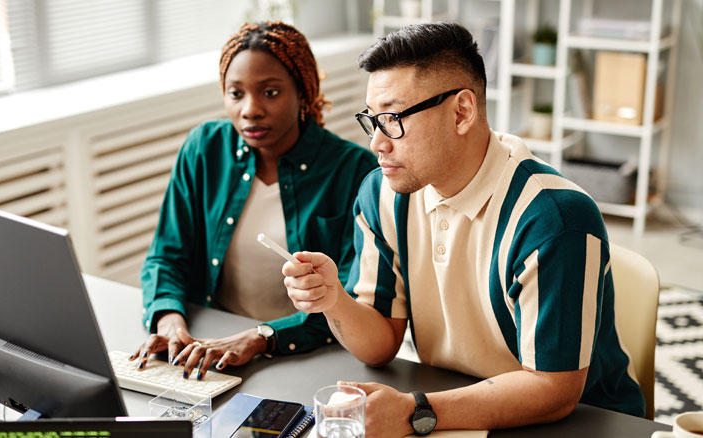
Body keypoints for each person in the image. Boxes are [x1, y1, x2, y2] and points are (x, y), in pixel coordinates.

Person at [282, 22, 644, 436]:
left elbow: (554, 388)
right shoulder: (381, 195)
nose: (377, 143)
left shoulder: (554, 218)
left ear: (462, 112)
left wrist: (412, 413)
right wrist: (334, 299)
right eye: (372, 120)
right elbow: (380, 344)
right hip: (452, 405)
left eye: (393, 118)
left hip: (585, 422)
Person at [130, 21, 377, 380]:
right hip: (211, 344)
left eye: (271, 92)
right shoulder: (204, 149)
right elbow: (167, 256)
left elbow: (355, 300)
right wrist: (168, 319)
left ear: (303, 93)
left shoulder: (355, 171)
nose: (250, 109)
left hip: (311, 355)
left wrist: (261, 337)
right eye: (236, 93)